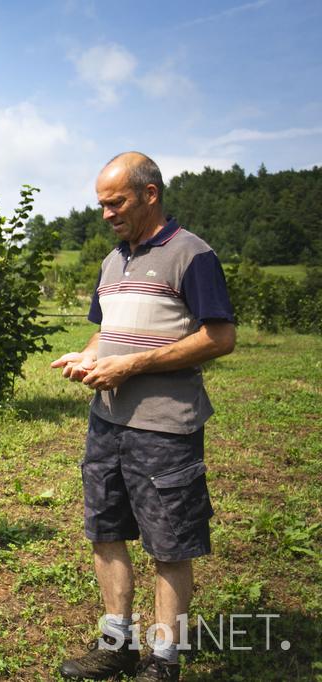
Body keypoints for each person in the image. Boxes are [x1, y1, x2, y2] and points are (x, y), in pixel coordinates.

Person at [51, 152, 236, 681]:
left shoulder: (191, 255)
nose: (107, 213)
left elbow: (219, 337)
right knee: (105, 531)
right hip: (106, 423)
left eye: (117, 202)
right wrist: (90, 357)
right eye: (101, 205)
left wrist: (133, 365)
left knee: (168, 543)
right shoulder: (113, 262)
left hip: (165, 427)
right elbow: (102, 331)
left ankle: (163, 659)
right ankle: (117, 645)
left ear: (150, 194)